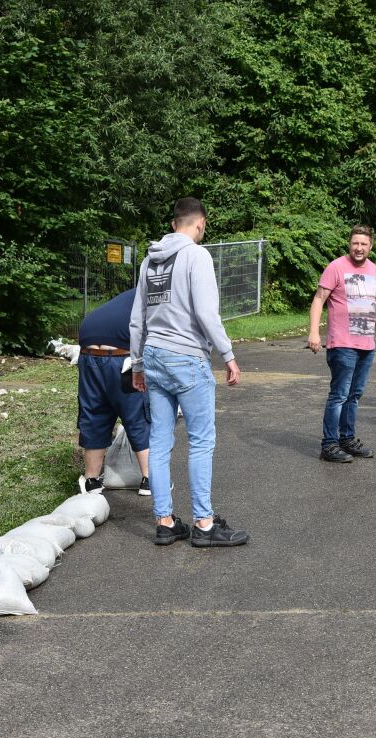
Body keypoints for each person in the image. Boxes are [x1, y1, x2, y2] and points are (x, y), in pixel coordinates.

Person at [129, 197, 248, 547]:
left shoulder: (148, 262)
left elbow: (138, 320)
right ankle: (204, 524)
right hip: (187, 358)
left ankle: (165, 522)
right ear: (200, 224)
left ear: (173, 224)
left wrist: (137, 365)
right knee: (200, 440)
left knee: (160, 441)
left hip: (153, 355)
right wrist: (228, 355)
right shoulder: (197, 256)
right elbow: (207, 313)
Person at [308, 225, 376, 463]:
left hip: (366, 343)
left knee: (354, 395)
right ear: (349, 244)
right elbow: (319, 299)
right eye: (355, 243)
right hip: (342, 344)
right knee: (339, 395)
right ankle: (329, 444)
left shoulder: (373, 269)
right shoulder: (336, 267)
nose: (359, 248)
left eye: (363, 244)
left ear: (370, 246)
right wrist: (314, 332)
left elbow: (373, 301)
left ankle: (347, 439)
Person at [76, 288, 151, 495]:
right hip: (121, 356)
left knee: (94, 413)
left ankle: (91, 481)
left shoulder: (132, 293)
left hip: (88, 351)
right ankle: (148, 480)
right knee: (137, 414)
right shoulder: (160, 298)